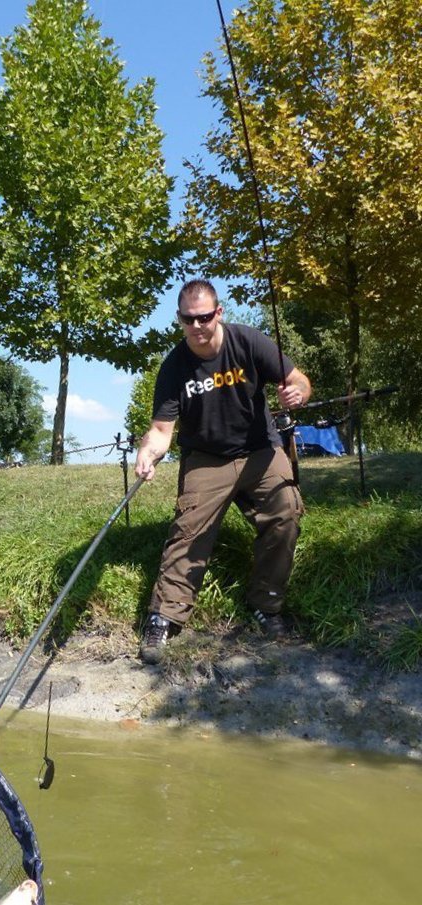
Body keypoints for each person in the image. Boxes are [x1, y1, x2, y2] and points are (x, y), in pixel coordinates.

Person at [135, 278, 311, 664]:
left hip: (260, 451)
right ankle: (164, 617)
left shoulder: (248, 342)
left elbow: (298, 380)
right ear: (179, 320)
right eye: (188, 320)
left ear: (219, 313)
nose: (197, 327)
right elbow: (162, 431)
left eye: (204, 317)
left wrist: (297, 393)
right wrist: (147, 453)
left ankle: (265, 602)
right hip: (205, 458)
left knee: (285, 510)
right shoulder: (174, 365)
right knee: (188, 532)